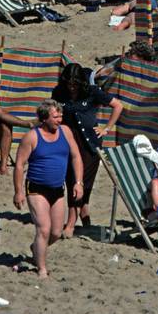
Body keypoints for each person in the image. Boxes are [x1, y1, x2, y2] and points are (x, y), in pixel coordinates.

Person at [12, 99, 84, 279]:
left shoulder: (65, 132)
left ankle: (36, 248)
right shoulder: (32, 137)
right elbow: (19, 164)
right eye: (55, 117)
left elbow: (76, 157)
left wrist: (78, 182)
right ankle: (42, 268)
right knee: (43, 229)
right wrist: (18, 191)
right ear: (44, 119)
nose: (59, 120)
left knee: (56, 233)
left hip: (57, 189)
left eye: (60, 116)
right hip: (36, 188)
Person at [51, 63, 124, 238]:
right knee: (71, 181)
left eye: (75, 84)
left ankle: (70, 224)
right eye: (69, 83)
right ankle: (84, 217)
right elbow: (54, 113)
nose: (71, 87)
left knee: (82, 182)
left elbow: (118, 106)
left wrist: (106, 128)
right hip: (68, 143)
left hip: (89, 145)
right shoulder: (58, 93)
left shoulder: (92, 92)